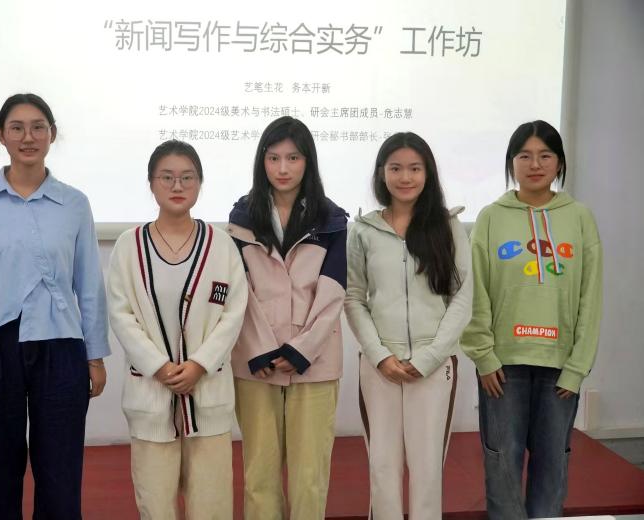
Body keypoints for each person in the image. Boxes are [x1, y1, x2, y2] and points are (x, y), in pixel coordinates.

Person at [0, 93, 110, 519]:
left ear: (52, 134)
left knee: (60, 478)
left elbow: (89, 284)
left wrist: (95, 356)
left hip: (60, 347)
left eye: (38, 127)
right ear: (1, 135)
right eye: (16, 128)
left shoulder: (74, 204)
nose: (28, 137)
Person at [461, 120, 603, 519]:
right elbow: (475, 291)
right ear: (511, 163)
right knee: (501, 464)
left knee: (552, 465)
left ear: (560, 163)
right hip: (502, 367)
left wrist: (577, 367)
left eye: (545, 155)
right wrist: (484, 356)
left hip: (560, 368)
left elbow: (591, 298)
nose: (535, 164)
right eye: (524, 156)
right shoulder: (491, 217)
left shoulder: (580, 218)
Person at [107, 140, 247, 519]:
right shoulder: (129, 246)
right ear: (151, 183)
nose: (177, 186)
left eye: (187, 177)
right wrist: (160, 367)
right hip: (151, 397)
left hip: (208, 397)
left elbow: (234, 312)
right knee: (156, 506)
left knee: (212, 507)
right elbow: (121, 314)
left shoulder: (220, 245)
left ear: (200, 183)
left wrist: (200, 364)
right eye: (166, 177)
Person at [345, 132, 473, 519]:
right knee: (382, 469)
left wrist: (430, 357)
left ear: (427, 173)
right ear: (381, 173)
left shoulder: (448, 226)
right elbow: (354, 297)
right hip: (379, 368)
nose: (405, 177)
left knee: (427, 472)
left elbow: (462, 297)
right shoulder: (363, 230)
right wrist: (379, 355)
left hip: (433, 368)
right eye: (396, 168)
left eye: (415, 168)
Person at [227, 116, 348, 520]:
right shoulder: (242, 219)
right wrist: (261, 349)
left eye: (293, 158)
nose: (283, 168)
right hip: (256, 364)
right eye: (274, 157)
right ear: (261, 161)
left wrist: (300, 350)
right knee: (259, 476)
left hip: (315, 364)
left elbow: (333, 294)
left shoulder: (332, 221)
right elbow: (239, 292)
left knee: (309, 477)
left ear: (307, 161)